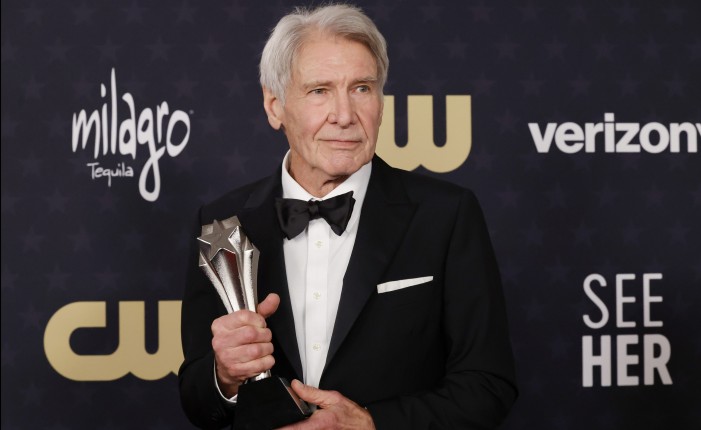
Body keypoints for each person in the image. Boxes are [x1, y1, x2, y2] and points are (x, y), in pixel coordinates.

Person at [179, 4, 517, 429]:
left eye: (361, 88)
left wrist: (372, 424)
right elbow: (197, 400)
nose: (344, 115)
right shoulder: (223, 225)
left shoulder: (446, 216)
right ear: (274, 106)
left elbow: (488, 386)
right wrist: (224, 375)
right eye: (319, 90)